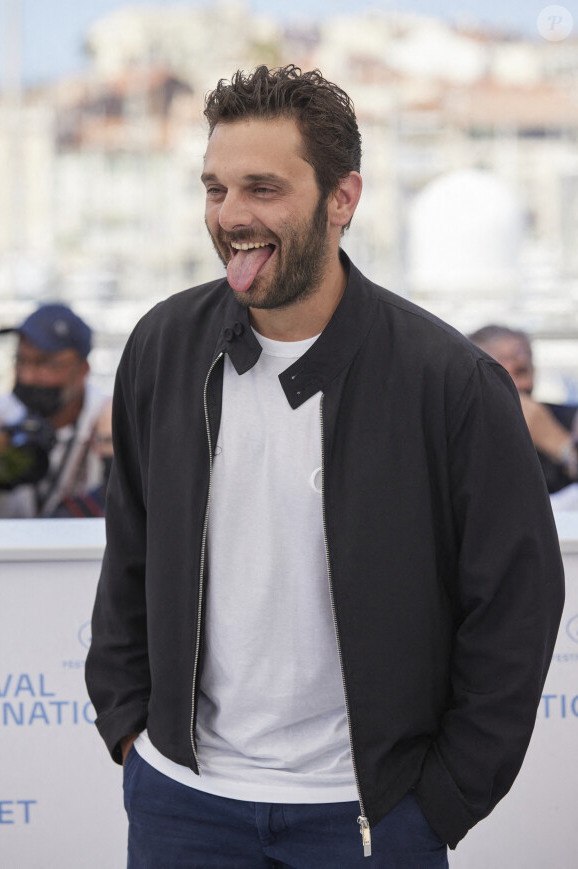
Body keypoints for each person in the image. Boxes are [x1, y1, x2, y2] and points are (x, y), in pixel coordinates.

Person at [85, 66, 564, 868]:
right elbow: (128, 548)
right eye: (216, 188)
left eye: (263, 188)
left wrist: (439, 802)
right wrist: (131, 726)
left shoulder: (448, 381)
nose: (232, 216)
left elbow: (516, 602)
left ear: (343, 199)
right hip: (183, 806)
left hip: (371, 819)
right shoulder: (162, 347)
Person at [0, 303, 108, 517]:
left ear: (83, 369)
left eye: (46, 364)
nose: (27, 376)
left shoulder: (111, 422)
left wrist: (117, 450)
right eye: (21, 361)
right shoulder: (3, 414)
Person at [468, 324, 578, 494]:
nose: (519, 385)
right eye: (503, 373)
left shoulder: (570, 420)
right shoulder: (460, 433)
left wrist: (559, 444)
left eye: (523, 371)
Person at [53, 398, 113, 517]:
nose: (120, 450)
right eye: (110, 441)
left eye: (131, 441)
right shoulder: (73, 515)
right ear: (94, 443)